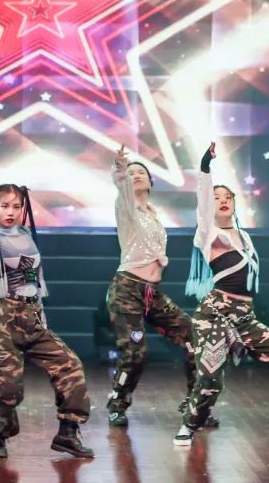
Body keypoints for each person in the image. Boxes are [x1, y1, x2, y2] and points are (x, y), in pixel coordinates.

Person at [173, 143, 269, 448]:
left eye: (227, 197)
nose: (222, 201)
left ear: (235, 203)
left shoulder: (244, 236)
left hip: (245, 317)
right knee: (210, 380)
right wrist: (205, 168)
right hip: (215, 315)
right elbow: (203, 203)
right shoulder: (207, 233)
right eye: (216, 197)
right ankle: (189, 425)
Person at [0, 183, 93, 459]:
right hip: (1, 318)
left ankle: (68, 434)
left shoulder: (26, 234)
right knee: (6, 386)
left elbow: (35, 281)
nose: (11, 212)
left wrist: (41, 317)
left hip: (32, 315)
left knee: (70, 366)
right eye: (4, 206)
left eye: (16, 206)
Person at [104, 144, 197, 427]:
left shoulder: (153, 214)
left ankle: (195, 403)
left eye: (141, 172)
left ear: (151, 182)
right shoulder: (127, 208)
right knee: (135, 352)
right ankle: (117, 404)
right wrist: (120, 166)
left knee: (194, 336)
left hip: (152, 293)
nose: (136, 175)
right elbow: (121, 183)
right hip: (127, 290)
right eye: (131, 173)